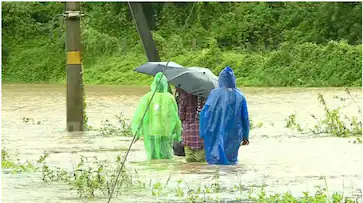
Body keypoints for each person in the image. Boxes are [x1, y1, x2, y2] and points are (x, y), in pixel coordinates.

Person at [199, 66, 250, 165]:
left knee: (214, 161)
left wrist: (202, 132)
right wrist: (245, 136)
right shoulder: (240, 96)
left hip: (214, 132)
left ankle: (215, 180)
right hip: (234, 134)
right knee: (231, 162)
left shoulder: (214, 94)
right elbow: (245, 118)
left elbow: (204, 113)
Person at [132, 72, 182, 160]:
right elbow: (175, 116)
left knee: (152, 158)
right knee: (166, 158)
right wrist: (178, 133)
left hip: (151, 131)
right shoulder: (169, 97)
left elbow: (139, 116)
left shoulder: (147, 97)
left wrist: (137, 132)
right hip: (165, 132)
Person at [177, 87, 206, 162]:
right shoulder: (207, 95)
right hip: (202, 136)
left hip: (189, 137)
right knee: (202, 164)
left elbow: (181, 116)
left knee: (189, 165)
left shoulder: (185, 96)